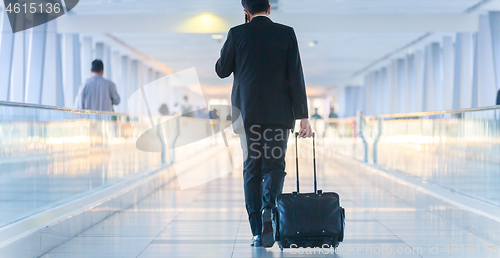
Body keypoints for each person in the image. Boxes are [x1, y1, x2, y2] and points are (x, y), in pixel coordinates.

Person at [215, 0, 312, 248]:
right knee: (275, 164)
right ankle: (271, 208)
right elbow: (296, 76)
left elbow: (222, 70)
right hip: (280, 116)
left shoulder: (237, 33)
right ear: (270, 8)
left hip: (248, 116)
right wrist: (304, 116)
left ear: (245, 12)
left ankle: (258, 229)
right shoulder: (286, 33)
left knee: (252, 168)